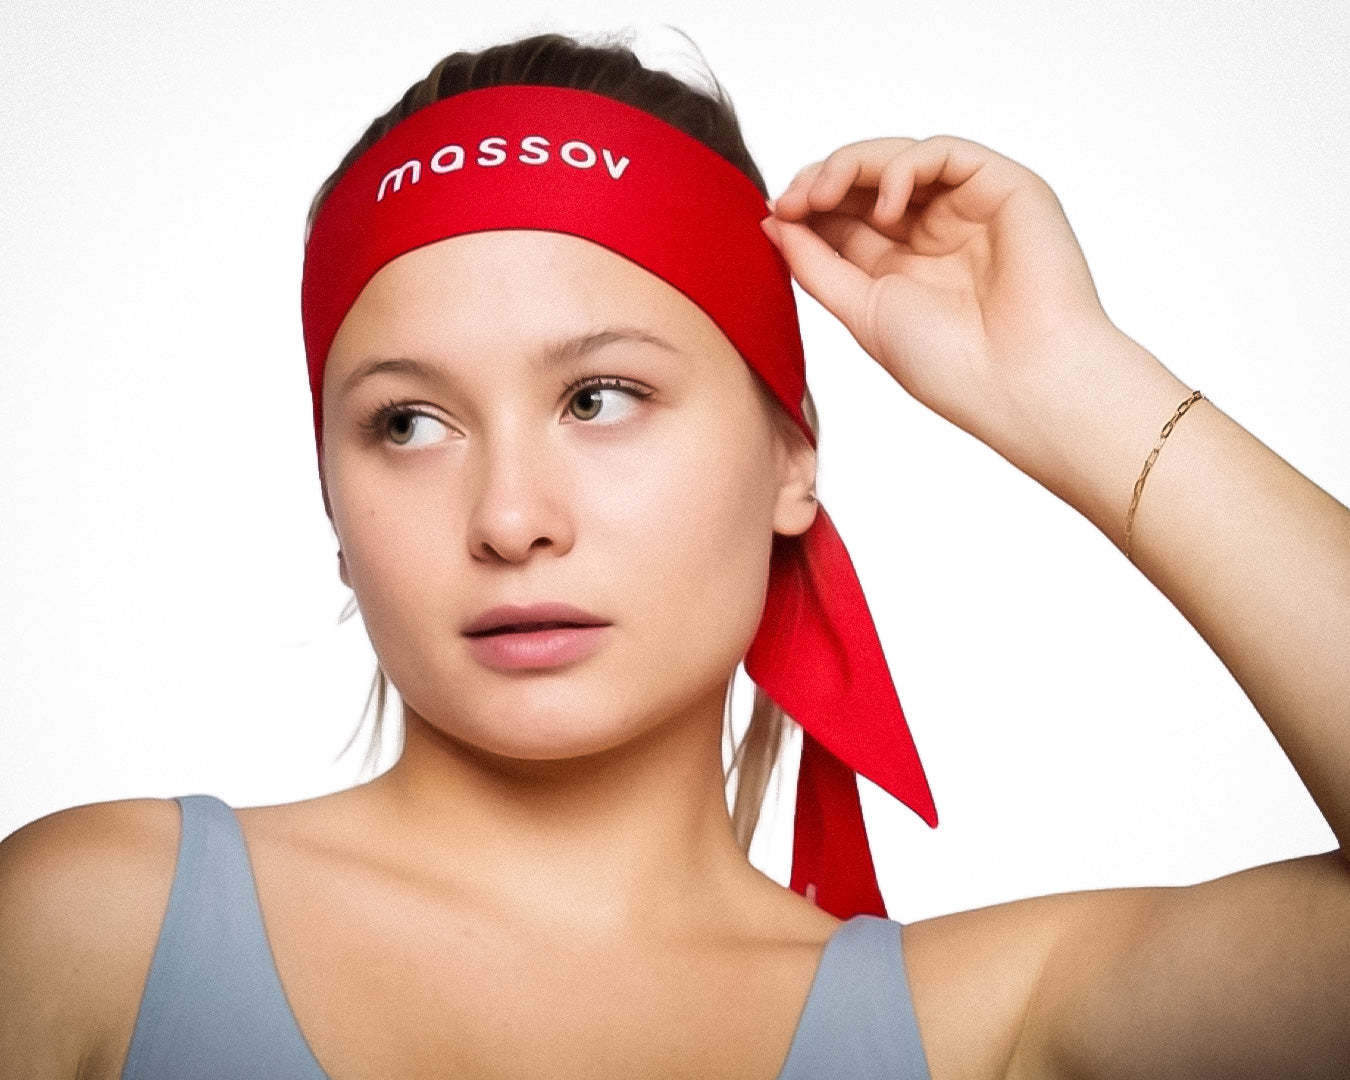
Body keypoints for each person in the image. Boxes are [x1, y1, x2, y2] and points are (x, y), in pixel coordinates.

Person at [1, 30, 1348, 1080]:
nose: (510, 516)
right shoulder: (94, 931)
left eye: (600, 398)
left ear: (789, 457)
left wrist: (1076, 387)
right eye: (406, 423)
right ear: (331, 500)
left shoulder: (982, 1025)